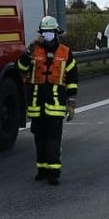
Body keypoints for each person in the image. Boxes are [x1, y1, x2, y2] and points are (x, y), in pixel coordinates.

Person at [17, 15, 79, 185]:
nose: (48, 34)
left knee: (53, 140)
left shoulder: (65, 52)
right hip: (37, 106)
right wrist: (28, 51)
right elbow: (21, 68)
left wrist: (71, 103)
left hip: (56, 105)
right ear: (41, 33)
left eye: (51, 31)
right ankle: (42, 169)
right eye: (45, 32)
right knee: (39, 140)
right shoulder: (33, 51)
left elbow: (73, 78)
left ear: (56, 32)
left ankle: (54, 172)